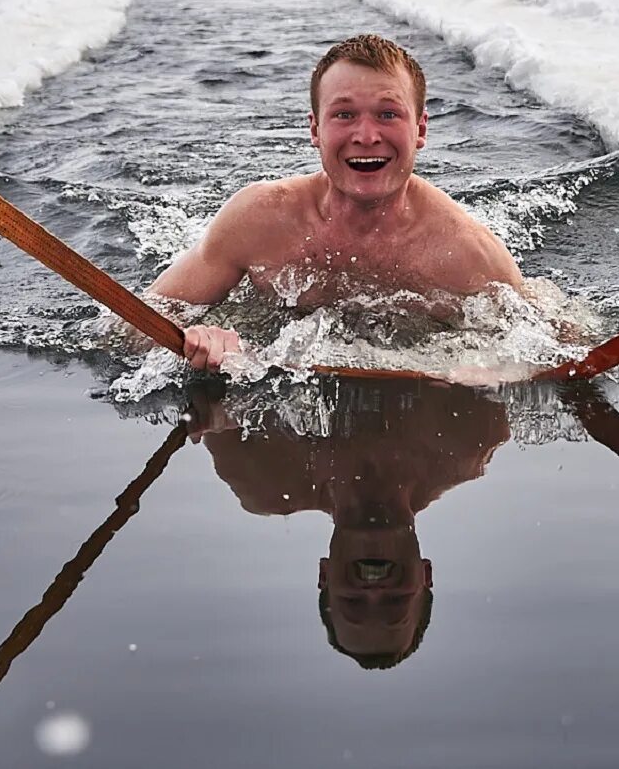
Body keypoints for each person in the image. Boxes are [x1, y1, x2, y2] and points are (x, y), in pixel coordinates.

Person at [148, 33, 524, 371]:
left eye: (388, 114)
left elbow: (552, 342)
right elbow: (127, 327)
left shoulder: (467, 255)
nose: (366, 135)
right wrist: (193, 338)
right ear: (315, 129)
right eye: (344, 115)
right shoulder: (258, 220)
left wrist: (495, 368)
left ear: (420, 129)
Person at [193, 378, 511, 668]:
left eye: (353, 604)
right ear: (425, 575)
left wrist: (211, 360)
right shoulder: (470, 440)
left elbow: (205, 391)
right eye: (395, 603)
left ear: (325, 574)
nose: (373, 591)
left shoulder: (265, 479)